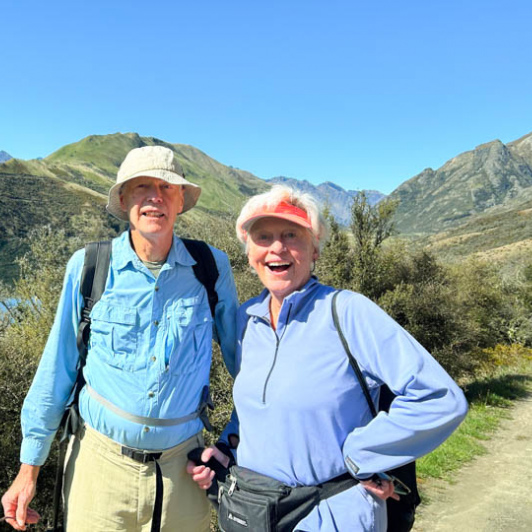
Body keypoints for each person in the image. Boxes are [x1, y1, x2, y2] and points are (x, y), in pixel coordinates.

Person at [187, 185, 468, 531]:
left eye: (292, 234)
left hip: (332, 516)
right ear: (249, 253)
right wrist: (228, 446)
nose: (277, 247)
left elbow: (440, 399)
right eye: (263, 236)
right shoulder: (247, 320)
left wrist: (363, 455)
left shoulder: (348, 313)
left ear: (315, 248)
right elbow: (260, 405)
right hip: (256, 512)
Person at [1, 145, 238, 532]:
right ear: (124, 198)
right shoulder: (91, 267)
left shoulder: (211, 269)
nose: (154, 197)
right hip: (99, 465)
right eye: (141, 186)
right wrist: (29, 470)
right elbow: (56, 370)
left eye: (166, 186)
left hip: (185, 471)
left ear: (181, 200)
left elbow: (252, 370)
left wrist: (231, 444)